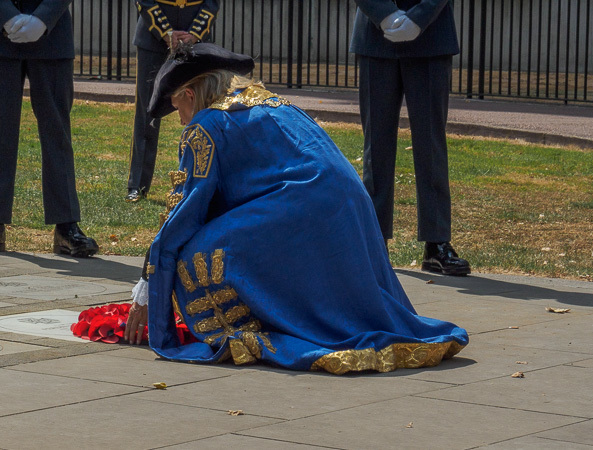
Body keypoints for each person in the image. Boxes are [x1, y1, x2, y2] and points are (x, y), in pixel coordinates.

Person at [123, 43, 468, 375]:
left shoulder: (206, 126)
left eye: (178, 107)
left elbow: (185, 212)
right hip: (348, 208)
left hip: (300, 211)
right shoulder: (276, 103)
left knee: (197, 255)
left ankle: (252, 328)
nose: (182, 120)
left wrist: (148, 284)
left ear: (190, 94)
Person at [350, 0, 471, 276]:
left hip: (432, 35)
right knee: (376, 148)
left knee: (431, 146)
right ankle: (375, 239)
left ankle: (436, 242)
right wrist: (384, 15)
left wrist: (419, 17)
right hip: (375, 36)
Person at [0, 0, 98, 257]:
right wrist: (6, 15)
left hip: (52, 34)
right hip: (1, 34)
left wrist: (44, 17)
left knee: (57, 135)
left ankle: (66, 226)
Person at [126, 0, 221, 202]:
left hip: (196, 39)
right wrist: (166, 32)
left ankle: (204, 181)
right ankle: (138, 185)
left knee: (203, 108)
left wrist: (195, 33)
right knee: (147, 113)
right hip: (153, 38)